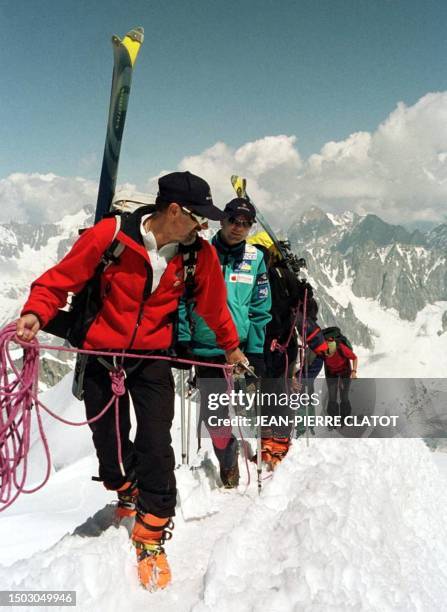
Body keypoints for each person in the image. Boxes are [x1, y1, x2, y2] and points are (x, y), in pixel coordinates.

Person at [15, 171, 246, 591]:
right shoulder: (112, 237)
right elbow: (60, 279)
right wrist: (36, 312)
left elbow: (213, 308)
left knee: (157, 440)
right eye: (199, 217)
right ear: (174, 211)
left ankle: (153, 527)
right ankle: (125, 487)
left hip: (152, 357)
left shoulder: (199, 256)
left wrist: (231, 348)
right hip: (103, 355)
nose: (205, 226)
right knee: (111, 444)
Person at [178, 198, 271, 488]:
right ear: (223, 220)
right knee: (214, 415)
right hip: (205, 347)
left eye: (246, 223)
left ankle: (235, 457)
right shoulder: (200, 251)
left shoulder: (256, 259)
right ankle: (228, 457)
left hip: (238, 351)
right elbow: (181, 296)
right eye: (234, 221)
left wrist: (255, 350)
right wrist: (182, 336)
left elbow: (260, 307)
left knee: (240, 406)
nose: (239, 228)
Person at [323, 330, 358, 423]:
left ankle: (345, 419)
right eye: (326, 354)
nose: (328, 356)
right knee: (332, 397)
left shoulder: (341, 348)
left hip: (345, 372)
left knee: (344, 396)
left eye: (330, 354)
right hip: (331, 373)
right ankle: (332, 420)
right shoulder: (322, 351)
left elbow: (354, 357)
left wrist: (354, 371)